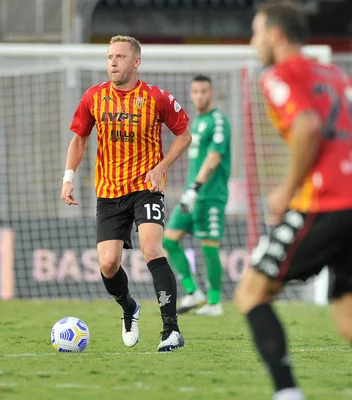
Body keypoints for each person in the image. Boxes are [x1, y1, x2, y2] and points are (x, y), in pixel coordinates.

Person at [234, 2, 352, 399]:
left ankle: (287, 393)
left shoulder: (279, 74)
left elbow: (308, 126)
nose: (253, 43)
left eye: (255, 33)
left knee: (251, 292)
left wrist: (286, 190)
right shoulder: (338, 75)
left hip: (327, 200)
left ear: (275, 35)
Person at [61, 35, 192, 352]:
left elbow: (184, 136)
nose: (113, 62)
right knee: (107, 264)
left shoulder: (155, 97)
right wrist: (68, 178)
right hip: (109, 193)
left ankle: (171, 331)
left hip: (146, 190)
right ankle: (129, 309)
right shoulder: (94, 97)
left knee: (152, 249)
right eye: (109, 57)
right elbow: (79, 139)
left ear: (136, 62)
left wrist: (161, 167)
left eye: (119, 56)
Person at [163, 75, 231, 316]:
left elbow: (213, 159)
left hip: (210, 195)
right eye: (195, 91)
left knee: (209, 247)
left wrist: (194, 188)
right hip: (191, 195)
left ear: (212, 93)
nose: (200, 96)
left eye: (204, 91)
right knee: (169, 240)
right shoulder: (196, 122)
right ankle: (193, 293)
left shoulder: (218, 121)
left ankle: (214, 303)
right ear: (191, 94)